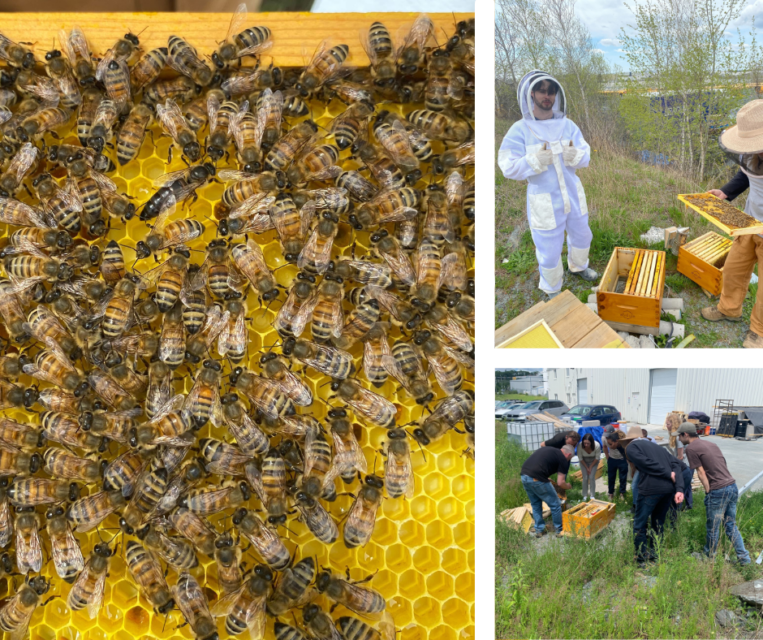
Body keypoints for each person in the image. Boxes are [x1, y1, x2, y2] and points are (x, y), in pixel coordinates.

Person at [497, 71, 597, 299]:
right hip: (544, 199)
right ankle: (552, 288)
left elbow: (586, 156)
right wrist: (533, 162)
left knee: (582, 235)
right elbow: (507, 166)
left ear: (556, 95)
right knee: (548, 248)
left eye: (550, 91)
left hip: (572, 193)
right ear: (531, 93)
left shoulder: (568, 125)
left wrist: (575, 155)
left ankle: (578, 266)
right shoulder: (519, 130)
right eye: (542, 90)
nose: (547, 96)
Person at [703, 99, 763, 349]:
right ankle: (729, 309)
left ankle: (758, 332)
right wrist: (726, 192)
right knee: (734, 269)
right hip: (750, 222)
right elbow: (746, 174)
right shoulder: (751, 155)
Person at [678, 423, 751, 564]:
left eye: (680, 436)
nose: (679, 439)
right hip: (731, 486)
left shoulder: (691, 448)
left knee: (713, 527)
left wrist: (708, 491)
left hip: (717, 490)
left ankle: (709, 556)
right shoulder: (710, 444)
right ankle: (744, 559)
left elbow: (700, 472)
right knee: (730, 525)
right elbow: (722, 463)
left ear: (686, 434)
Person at [625, 438, 684, 565]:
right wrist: (679, 488)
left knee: (639, 524)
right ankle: (655, 555)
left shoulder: (631, 448)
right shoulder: (659, 448)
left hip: (650, 489)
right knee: (658, 523)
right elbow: (678, 464)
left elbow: (646, 463)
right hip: (668, 490)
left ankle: (641, 558)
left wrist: (668, 473)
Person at [520, 443, 574, 538]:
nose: (568, 461)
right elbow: (560, 483)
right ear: (569, 454)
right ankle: (559, 530)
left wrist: (545, 477)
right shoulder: (562, 459)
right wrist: (568, 486)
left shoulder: (550, 449)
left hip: (524, 476)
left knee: (536, 504)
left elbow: (541, 463)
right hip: (537, 479)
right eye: (569, 459)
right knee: (556, 505)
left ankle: (539, 530)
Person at [603, 432, 628, 501]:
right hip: (612, 459)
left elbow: (626, 452)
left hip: (622, 460)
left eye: (611, 444)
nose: (610, 446)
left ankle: (622, 494)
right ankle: (611, 493)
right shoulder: (605, 439)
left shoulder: (623, 441)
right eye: (609, 444)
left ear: (617, 441)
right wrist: (608, 457)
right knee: (611, 477)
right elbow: (604, 447)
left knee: (623, 477)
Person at [577, 433, 600, 501]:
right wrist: (587, 468)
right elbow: (580, 458)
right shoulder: (580, 446)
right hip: (583, 461)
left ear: (592, 442)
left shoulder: (597, 445)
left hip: (594, 461)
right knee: (585, 477)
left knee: (591, 477)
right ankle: (584, 495)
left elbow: (597, 457)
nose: (586, 445)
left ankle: (592, 495)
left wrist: (590, 467)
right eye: (585, 443)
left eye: (588, 443)